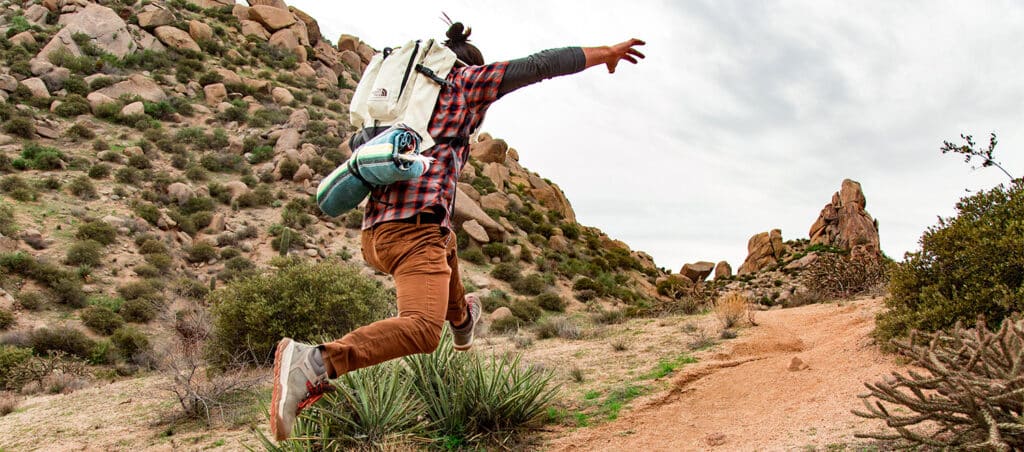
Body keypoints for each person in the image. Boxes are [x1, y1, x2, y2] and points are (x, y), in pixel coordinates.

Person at [269, 21, 645, 441]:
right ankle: (316, 362)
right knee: (423, 330)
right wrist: (605, 53)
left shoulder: (404, 104)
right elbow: (540, 65)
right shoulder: (464, 83)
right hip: (414, 234)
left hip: (378, 235)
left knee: (445, 242)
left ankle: (463, 319)